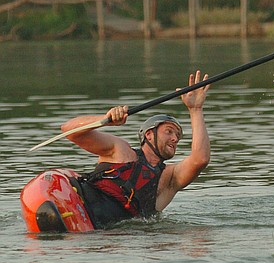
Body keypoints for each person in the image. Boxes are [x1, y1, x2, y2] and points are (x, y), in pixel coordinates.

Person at [61, 70, 211, 229]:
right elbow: (69, 130)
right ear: (149, 135)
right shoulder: (119, 150)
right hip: (84, 209)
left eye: (178, 136)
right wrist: (104, 120)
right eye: (169, 132)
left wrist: (195, 110)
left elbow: (200, 159)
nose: (175, 139)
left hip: (113, 235)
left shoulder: (169, 179)